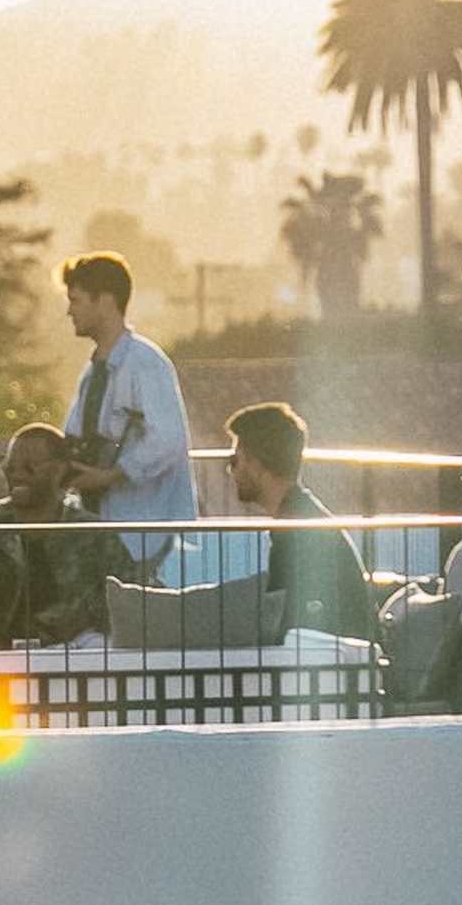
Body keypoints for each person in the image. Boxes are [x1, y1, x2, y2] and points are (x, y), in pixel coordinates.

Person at [57, 251, 192, 569]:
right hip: (103, 527)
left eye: (76, 301)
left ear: (105, 301)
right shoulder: (93, 372)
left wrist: (111, 476)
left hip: (140, 531)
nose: (69, 311)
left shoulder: (145, 363)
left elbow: (168, 439)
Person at [0, 424, 128, 648]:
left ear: (60, 470)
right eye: (10, 468)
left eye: (29, 467)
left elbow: (126, 604)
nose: (17, 475)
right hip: (0, 660)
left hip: (79, 655)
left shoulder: (94, 535)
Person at [225, 399, 373, 639]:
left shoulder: (296, 531)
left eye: (235, 460)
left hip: (335, 656)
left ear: (257, 465)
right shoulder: (301, 516)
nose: (231, 471)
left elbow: (286, 621)